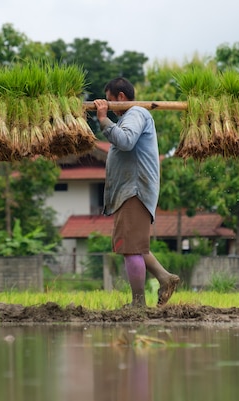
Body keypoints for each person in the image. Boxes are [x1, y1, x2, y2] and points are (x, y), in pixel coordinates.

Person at [93, 77, 180, 307]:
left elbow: (126, 141)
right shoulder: (133, 117)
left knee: (130, 247)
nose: (110, 107)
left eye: (110, 102)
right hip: (131, 189)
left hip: (135, 189)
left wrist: (103, 119)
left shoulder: (136, 114)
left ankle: (138, 303)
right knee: (134, 245)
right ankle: (165, 278)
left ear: (121, 97)